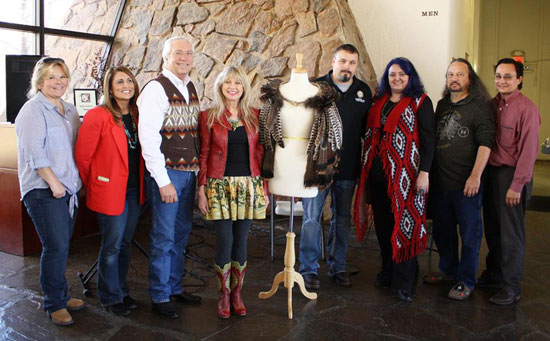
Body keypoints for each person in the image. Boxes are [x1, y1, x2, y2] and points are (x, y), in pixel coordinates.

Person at [354, 57, 434, 302]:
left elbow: (429, 140)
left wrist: (424, 173)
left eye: (402, 74)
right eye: (392, 74)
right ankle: (388, 271)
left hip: (406, 180)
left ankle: (405, 280)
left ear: (410, 77)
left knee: (405, 227)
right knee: (384, 228)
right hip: (377, 179)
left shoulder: (420, 101)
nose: (397, 78)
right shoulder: (378, 100)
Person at [15, 57, 84, 326]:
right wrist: (54, 184)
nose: (58, 82)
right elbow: (35, 154)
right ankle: (54, 304)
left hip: (69, 189)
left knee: (63, 246)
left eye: (62, 76)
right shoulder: (32, 110)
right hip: (45, 190)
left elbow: (75, 149)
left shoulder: (70, 110)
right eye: (52, 77)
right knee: (54, 247)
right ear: (40, 81)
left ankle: (61, 294)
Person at [137, 36, 202, 319]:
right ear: (165, 57)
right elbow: (148, 138)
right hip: (169, 174)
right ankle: (160, 295)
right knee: (164, 236)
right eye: (178, 53)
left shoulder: (189, 86)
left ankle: (174, 287)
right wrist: (162, 180)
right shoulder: (155, 89)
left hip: (190, 174)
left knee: (182, 234)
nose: (184, 57)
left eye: (188, 53)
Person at [298, 44, 372, 290]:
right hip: (318, 169)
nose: (347, 67)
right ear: (333, 62)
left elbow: (366, 132)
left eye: (352, 62)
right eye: (342, 61)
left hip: (348, 169)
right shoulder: (315, 88)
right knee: (311, 219)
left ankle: (338, 265)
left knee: (342, 220)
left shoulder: (363, 92)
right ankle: (308, 268)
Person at [198, 66, 268, 319]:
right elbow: (204, 154)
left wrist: (264, 189)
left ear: (244, 88)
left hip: (248, 186)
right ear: (220, 86)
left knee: (241, 240)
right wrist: (202, 189)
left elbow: (259, 154)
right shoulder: (209, 116)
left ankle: (237, 293)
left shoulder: (254, 116)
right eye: (228, 82)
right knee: (225, 240)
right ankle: (223, 295)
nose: (233, 86)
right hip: (219, 185)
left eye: (237, 82)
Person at [75, 66, 146, 316]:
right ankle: (110, 295)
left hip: (134, 189)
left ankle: (122, 290)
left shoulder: (137, 114)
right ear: (110, 88)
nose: (126, 85)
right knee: (112, 244)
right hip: (108, 189)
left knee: (125, 243)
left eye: (129, 80)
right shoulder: (98, 115)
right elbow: (83, 156)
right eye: (119, 82)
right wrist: (90, 185)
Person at [425, 58, 494, 300]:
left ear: (470, 79)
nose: (454, 78)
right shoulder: (442, 105)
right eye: (450, 74)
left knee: (470, 235)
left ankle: (466, 280)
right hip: (441, 184)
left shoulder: (480, 106)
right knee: (444, 232)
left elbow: (486, 144)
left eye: (460, 74)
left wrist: (475, 176)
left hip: (467, 186)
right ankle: (449, 271)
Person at [480, 58, 540, 305]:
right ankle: (494, 273)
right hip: (491, 174)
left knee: (511, 234)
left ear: (519, 79)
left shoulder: (527, 109)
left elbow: (529, 151)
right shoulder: (491, 105)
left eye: (507, 76)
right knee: (493, 229)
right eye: (498, 76)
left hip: (512, 175)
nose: (501, 81)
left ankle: (511, 286)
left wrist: (517, 185)